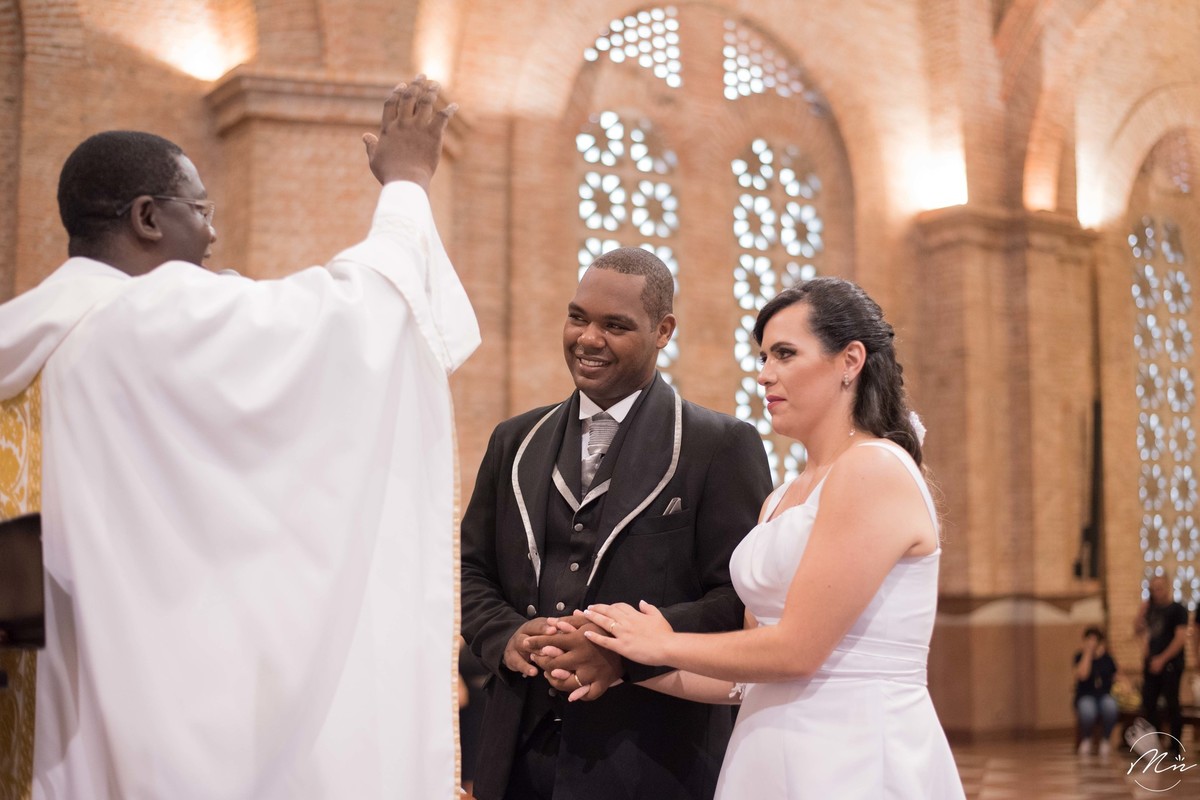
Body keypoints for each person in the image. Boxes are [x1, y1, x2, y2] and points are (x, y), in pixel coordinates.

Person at [0, 76, 479, 799]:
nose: (213, 235)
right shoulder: (146, 317)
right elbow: (358, 319)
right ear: (148, 218)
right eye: (201, 211)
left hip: (41, 711)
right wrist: (407, 183)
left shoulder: (30, 340)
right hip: (140, 717)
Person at [576, 277, 966, 798]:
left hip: (853, 753)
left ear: (850, 361)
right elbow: (745, 679)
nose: (764, 374)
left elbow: (797, 651)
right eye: (763, 357)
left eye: (785, 354)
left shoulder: (873, 468)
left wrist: (661, 641)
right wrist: (626, 664)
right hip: (765, 750)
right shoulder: (782, 497)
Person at [459, 247, 773, 800]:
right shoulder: (515, 440)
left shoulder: (719, 445)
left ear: (663, 331)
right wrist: (507, 636)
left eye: (615, 325)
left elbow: (738, 598)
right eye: (577, 317)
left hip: (654, 757)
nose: (588, 338)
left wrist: (623, 652)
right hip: (517, 754)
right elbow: (469, 569)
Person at [1135, 574, 1189, 755]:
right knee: (1148, 703)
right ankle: (1153, 744)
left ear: (1168, 587)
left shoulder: (1178, 610)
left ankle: (1175, 746)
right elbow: (1138, 631)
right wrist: (1140, 613)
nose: (1156, 592)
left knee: (1172, 704)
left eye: (1159, 588)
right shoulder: (1150, 609)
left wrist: (1162, 659)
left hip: (1171, 664)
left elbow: (1180, 639)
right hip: (1151, 665)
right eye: (1153, 589)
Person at [1073, 627, 1119, 755]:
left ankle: (1105, 739)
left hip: (1103, 695)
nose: (1091, 643)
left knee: (1110, 707)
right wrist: (1088, 654)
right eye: (1089, 640)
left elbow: (1117, 675)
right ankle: (1086, 738)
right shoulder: (1079, 657)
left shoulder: (1107, 658)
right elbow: (1082, 675)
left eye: (1094, 640)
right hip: (1085, 695)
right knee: (1088, 711)